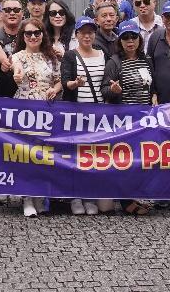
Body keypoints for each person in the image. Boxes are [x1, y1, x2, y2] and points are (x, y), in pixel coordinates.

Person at [104, 20, 153, 215]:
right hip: (124, 120)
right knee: (124, 161)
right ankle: (125, 201)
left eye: (133, 37)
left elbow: (152, 85)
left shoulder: (146, 59)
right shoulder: (114, 62)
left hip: (145, 120)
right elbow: (105, 90)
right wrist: (114, 90)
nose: (130, 41)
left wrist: (155, 97)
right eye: (125, 37)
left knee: (139, 161)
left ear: (139, 40)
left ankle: (134, 195)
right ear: (120, 41)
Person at [12, 16, 60, 218]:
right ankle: (27, 197)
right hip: (26, 108)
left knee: (44, 154)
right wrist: (17, 76)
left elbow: (58, 81)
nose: (33, 36)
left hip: (47, 109)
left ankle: (41, 195)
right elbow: (17, 72)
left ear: (43, 35)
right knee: (26, 154)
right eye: (28, 33)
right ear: (23, 36)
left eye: (36, 33)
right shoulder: (18, 56)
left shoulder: (52, 57)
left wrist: (54, 89)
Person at [60, 17, 108, 215]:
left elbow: (106, 80)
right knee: (76, 156)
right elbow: (65, 82)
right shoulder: (71, 56)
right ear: (77, 35)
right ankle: (75, 197)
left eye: (90, 32)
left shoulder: (102, 54)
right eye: (83, 32)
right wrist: (74, 84)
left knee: (94, 156)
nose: (87, 36)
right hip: (77, 113)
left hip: (98, 114)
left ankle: (89, 195)